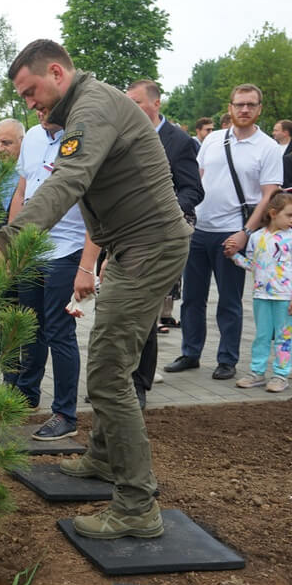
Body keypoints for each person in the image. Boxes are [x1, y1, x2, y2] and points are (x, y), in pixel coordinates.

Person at [0, 39, 192, 540]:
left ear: (58, 73)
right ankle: (106, 458)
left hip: (148, 248)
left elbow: (67, 182)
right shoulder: (82, 109)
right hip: (134, 247)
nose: (29, 103)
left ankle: (136, 504)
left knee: (108, 372)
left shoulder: (92, 108)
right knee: (112, 362)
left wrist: (6, 242)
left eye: (31, 91)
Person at [165, 84, 282, 381]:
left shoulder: (268, 147)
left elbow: (269, 196)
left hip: (232, 232)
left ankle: (227, 359)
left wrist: (246, 232)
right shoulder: (214, 140)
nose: (245, 110)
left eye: (251, 105)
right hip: (198, 229)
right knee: (192, 297)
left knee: (229, 301)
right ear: (229, 107)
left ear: (260, 109)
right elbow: (197, 179)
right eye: (239, 104)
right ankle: (190, 353)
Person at [6, 111, 98, 440]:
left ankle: (65, 413)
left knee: (59, 332)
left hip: (68, 250)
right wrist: (13, 243)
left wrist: (88, 266)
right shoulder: (31, 137)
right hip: (32, 249)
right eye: (35, 106)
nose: (40, 111)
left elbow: (97, 209)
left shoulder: (83, 138)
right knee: (30, 327)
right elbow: (21, 192)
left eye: (45, 104)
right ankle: (27, 396)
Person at [125, 80, 204, 408]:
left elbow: (193, 191)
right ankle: (116, 382)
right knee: (118, 312)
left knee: (144, 313)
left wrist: (167, 210)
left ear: (156, 103)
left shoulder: (179, 141)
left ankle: (140, 383)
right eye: (127, 102)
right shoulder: (122, 136)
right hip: (123, 237)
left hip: (159, 239)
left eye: (137, 102)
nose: (131, 108)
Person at [231, 192, 292, 393]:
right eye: (289, 215)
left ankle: (281, 375)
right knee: (262, 336)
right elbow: (253, 265)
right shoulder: (256, 237)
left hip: (285, 298)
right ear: (273, 213)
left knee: (284, 336)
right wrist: (234, 256)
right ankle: (257, 372)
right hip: (261, 296)